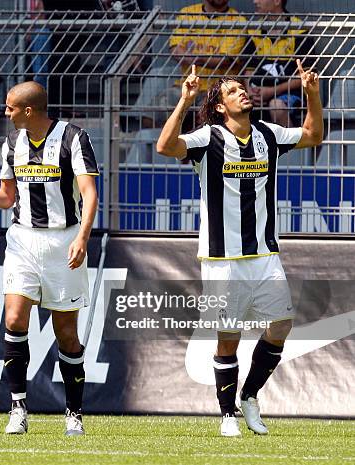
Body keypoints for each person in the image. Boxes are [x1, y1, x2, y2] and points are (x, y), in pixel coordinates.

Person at [156, 62, 322, 436]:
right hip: (221, 259)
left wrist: (311, 94)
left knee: (281, 326)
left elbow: (312, 135)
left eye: (243, 88)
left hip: (264, 254)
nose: (243, 92)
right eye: (233, 91)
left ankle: (249, 396)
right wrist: (185, 101)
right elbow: (165, 146)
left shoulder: (268, 133)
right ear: (219, 106)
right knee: (227, 339)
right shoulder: (208, 137)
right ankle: (227, 413)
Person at [0, 81, 99, 436]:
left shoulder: (73, 138)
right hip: (22, 239)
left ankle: (73, 412)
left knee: (66, 333)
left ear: (27, 111)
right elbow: (8, 198)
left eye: (9, 108)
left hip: (63, 241)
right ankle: (18, 407)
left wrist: (82, 237)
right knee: (14, 317)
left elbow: (89, 193)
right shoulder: (12, 144)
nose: (4, 113)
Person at [133, 0, 247, 130]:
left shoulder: (237, 20)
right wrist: (204, 59)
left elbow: (225, 59)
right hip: (187, 86)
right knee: (149, 117)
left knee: (207, 126)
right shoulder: (188, 13)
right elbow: (175, 49)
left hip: (218, 89)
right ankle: (170, 144)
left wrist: (193, 58)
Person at [245, 0, 313, 127]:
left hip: (291, 94)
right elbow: (249, 69)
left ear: (277, 1)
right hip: (259, 93)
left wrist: (271, 91)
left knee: (276, 105)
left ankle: (294, 146)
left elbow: (305, 76)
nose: (255, 1)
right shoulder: (253, 29)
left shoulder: (299, 29)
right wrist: (250, 93)